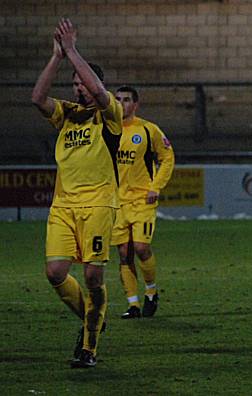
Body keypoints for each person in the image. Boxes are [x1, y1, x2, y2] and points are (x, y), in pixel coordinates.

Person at [31, 18, 123, 368]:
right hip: (63, 207)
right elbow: (38, 98)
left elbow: (99, 92)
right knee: (55, 273)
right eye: (74, 85)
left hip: (98, 204)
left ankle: (89, 345)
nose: (78, 90)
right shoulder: (67, 115)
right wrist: (57, 57)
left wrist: (73, 51)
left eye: (81, 83)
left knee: (92, 276)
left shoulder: (109, 113)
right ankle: (92, 316)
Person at [112, 86, 175, 319]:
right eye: (117, 99)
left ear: (135, 105)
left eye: (126, 100)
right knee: (124, 253)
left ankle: (150, 291)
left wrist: (155, 186)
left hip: (141, 200)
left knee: (141, 247)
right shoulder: (108, 129)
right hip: (116, 202)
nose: (121, 104)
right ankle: (133, 304)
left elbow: (167, 157)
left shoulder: (148, 129)